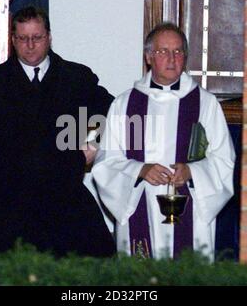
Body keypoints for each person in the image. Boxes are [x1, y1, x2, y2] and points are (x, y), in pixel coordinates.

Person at [0, 6, 116, 257]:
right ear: (12, 40)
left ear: (49, 37)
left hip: (64, 201)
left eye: (37, 37)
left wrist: (93, 147)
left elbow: (113, 112)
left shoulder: (75, 77)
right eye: (23, 38)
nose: (30, 45)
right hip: (9, 205)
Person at [91, 23, 235, 260]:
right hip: (140, 204)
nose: (171, 58)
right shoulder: (124, 105)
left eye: (178, 52)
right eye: (162, 51)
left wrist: (192, 172)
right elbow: (106, 163)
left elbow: (224, 161)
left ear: (185, 57)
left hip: (191, 211)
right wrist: (140, 170)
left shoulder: (206, 104)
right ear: (148, 57)